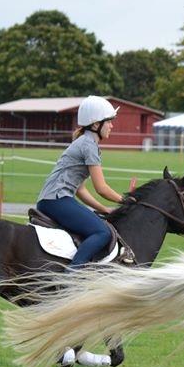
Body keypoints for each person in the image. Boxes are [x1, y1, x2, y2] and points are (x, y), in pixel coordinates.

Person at [35, 95, 125, 267]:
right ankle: (72, 276)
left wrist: (104, 208)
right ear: (96, 124)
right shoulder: (89, 146)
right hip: (57, 200)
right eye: (109, 122)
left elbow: (81, 190)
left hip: (52, 200)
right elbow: (101, 188)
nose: (112, 126)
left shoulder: (84, 142)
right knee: (102, 232)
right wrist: (125, 200)